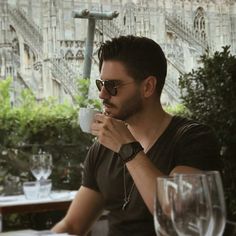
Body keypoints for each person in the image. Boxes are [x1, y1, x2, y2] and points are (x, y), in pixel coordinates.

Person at [52, 35, 222, 236]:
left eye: (112, 85)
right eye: (101, 84)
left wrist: (127, 148)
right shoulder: (102, 148)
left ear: (148, 87)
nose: (102, 95)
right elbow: (72, 226)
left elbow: (177, 215)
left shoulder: (193, 138)